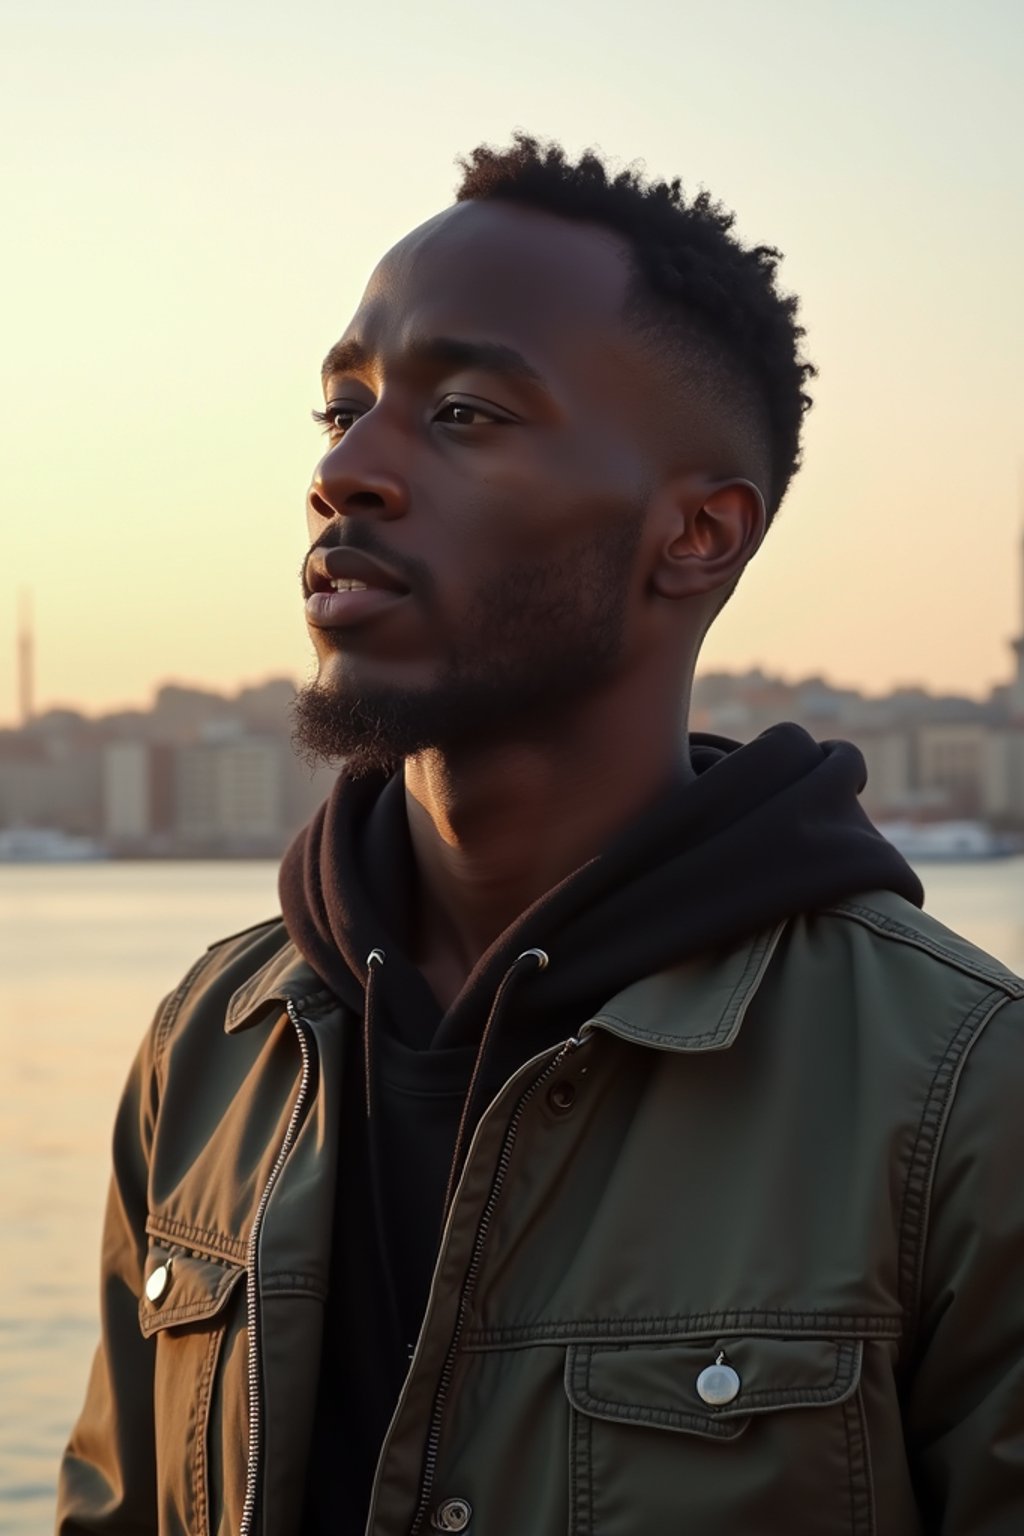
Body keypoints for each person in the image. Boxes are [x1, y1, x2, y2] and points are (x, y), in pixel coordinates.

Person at [57, 134, 1024, 1536]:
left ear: (695, 533)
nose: (348, 471)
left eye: (461, 414)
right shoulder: (210, 1046)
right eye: (340, 407)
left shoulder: (961, 1097)